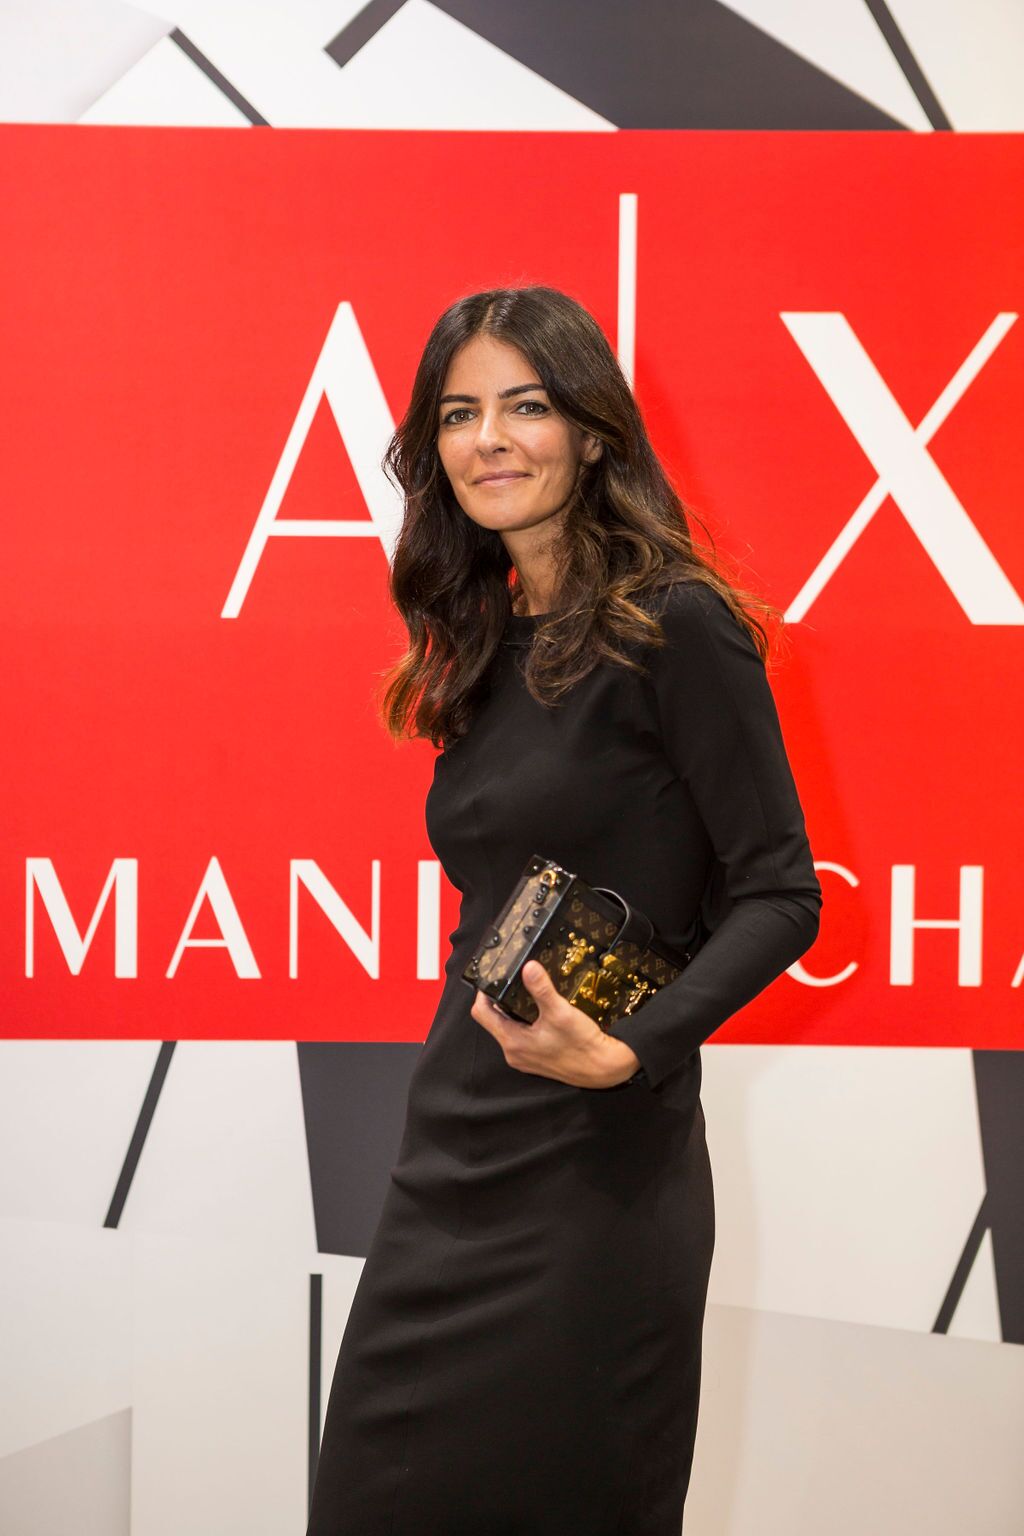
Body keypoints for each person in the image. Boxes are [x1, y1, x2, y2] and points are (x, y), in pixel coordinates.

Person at [305, 285, 822, 1535]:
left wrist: (631, 1048)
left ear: (591, 434)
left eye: (524, 406)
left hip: (597, 1177)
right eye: (458, 414)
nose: (488, 438)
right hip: (451, 1160)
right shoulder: (482, 639)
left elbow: (779, 894)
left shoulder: (678, 624)